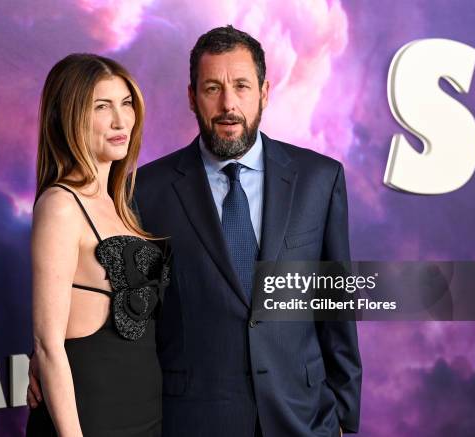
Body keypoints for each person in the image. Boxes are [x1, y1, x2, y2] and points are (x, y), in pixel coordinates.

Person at [29, 26, 361, 436]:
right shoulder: (141, 191)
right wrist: (46, 354)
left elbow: (336, 305)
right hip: (192, 419)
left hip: (304, 417)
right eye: (211, 88)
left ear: (264, 91)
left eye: (241, 86)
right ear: (191, 97)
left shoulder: (320, 179)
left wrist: (345, 414)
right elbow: (108, 288)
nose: (228, 104)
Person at [26, 53, 170, 437]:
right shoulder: (60, 205)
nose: (121, 121)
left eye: (126, 104)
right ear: (69, 116)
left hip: (145, 412)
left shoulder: (120, 203)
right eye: (102, 107)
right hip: (92, 418)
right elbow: (47, 343)